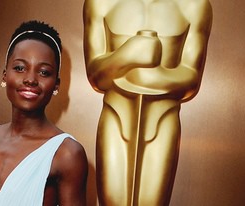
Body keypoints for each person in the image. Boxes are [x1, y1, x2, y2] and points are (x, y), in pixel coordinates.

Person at [83, 0, 212, 205]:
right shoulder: (100, 3)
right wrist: (127, 55)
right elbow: (96, 76)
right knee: (112, 200)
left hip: (162, 117)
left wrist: (152, 77)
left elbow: (192, 78)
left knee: (151, 201)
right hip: (116, 113)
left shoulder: (195, 6)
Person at [0, 20, 88, 206]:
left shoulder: (66, 154)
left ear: (56, 84)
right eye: (20, 68)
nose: (30, 79)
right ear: (4, 75)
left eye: (43, 72)